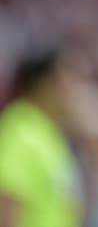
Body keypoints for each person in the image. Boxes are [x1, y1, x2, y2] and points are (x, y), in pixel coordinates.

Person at [0, 46, 83, 227]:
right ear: (44, 84)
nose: (74, 89)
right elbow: (8, 203)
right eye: (68, 78)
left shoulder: (49, 133)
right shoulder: (20, 129)